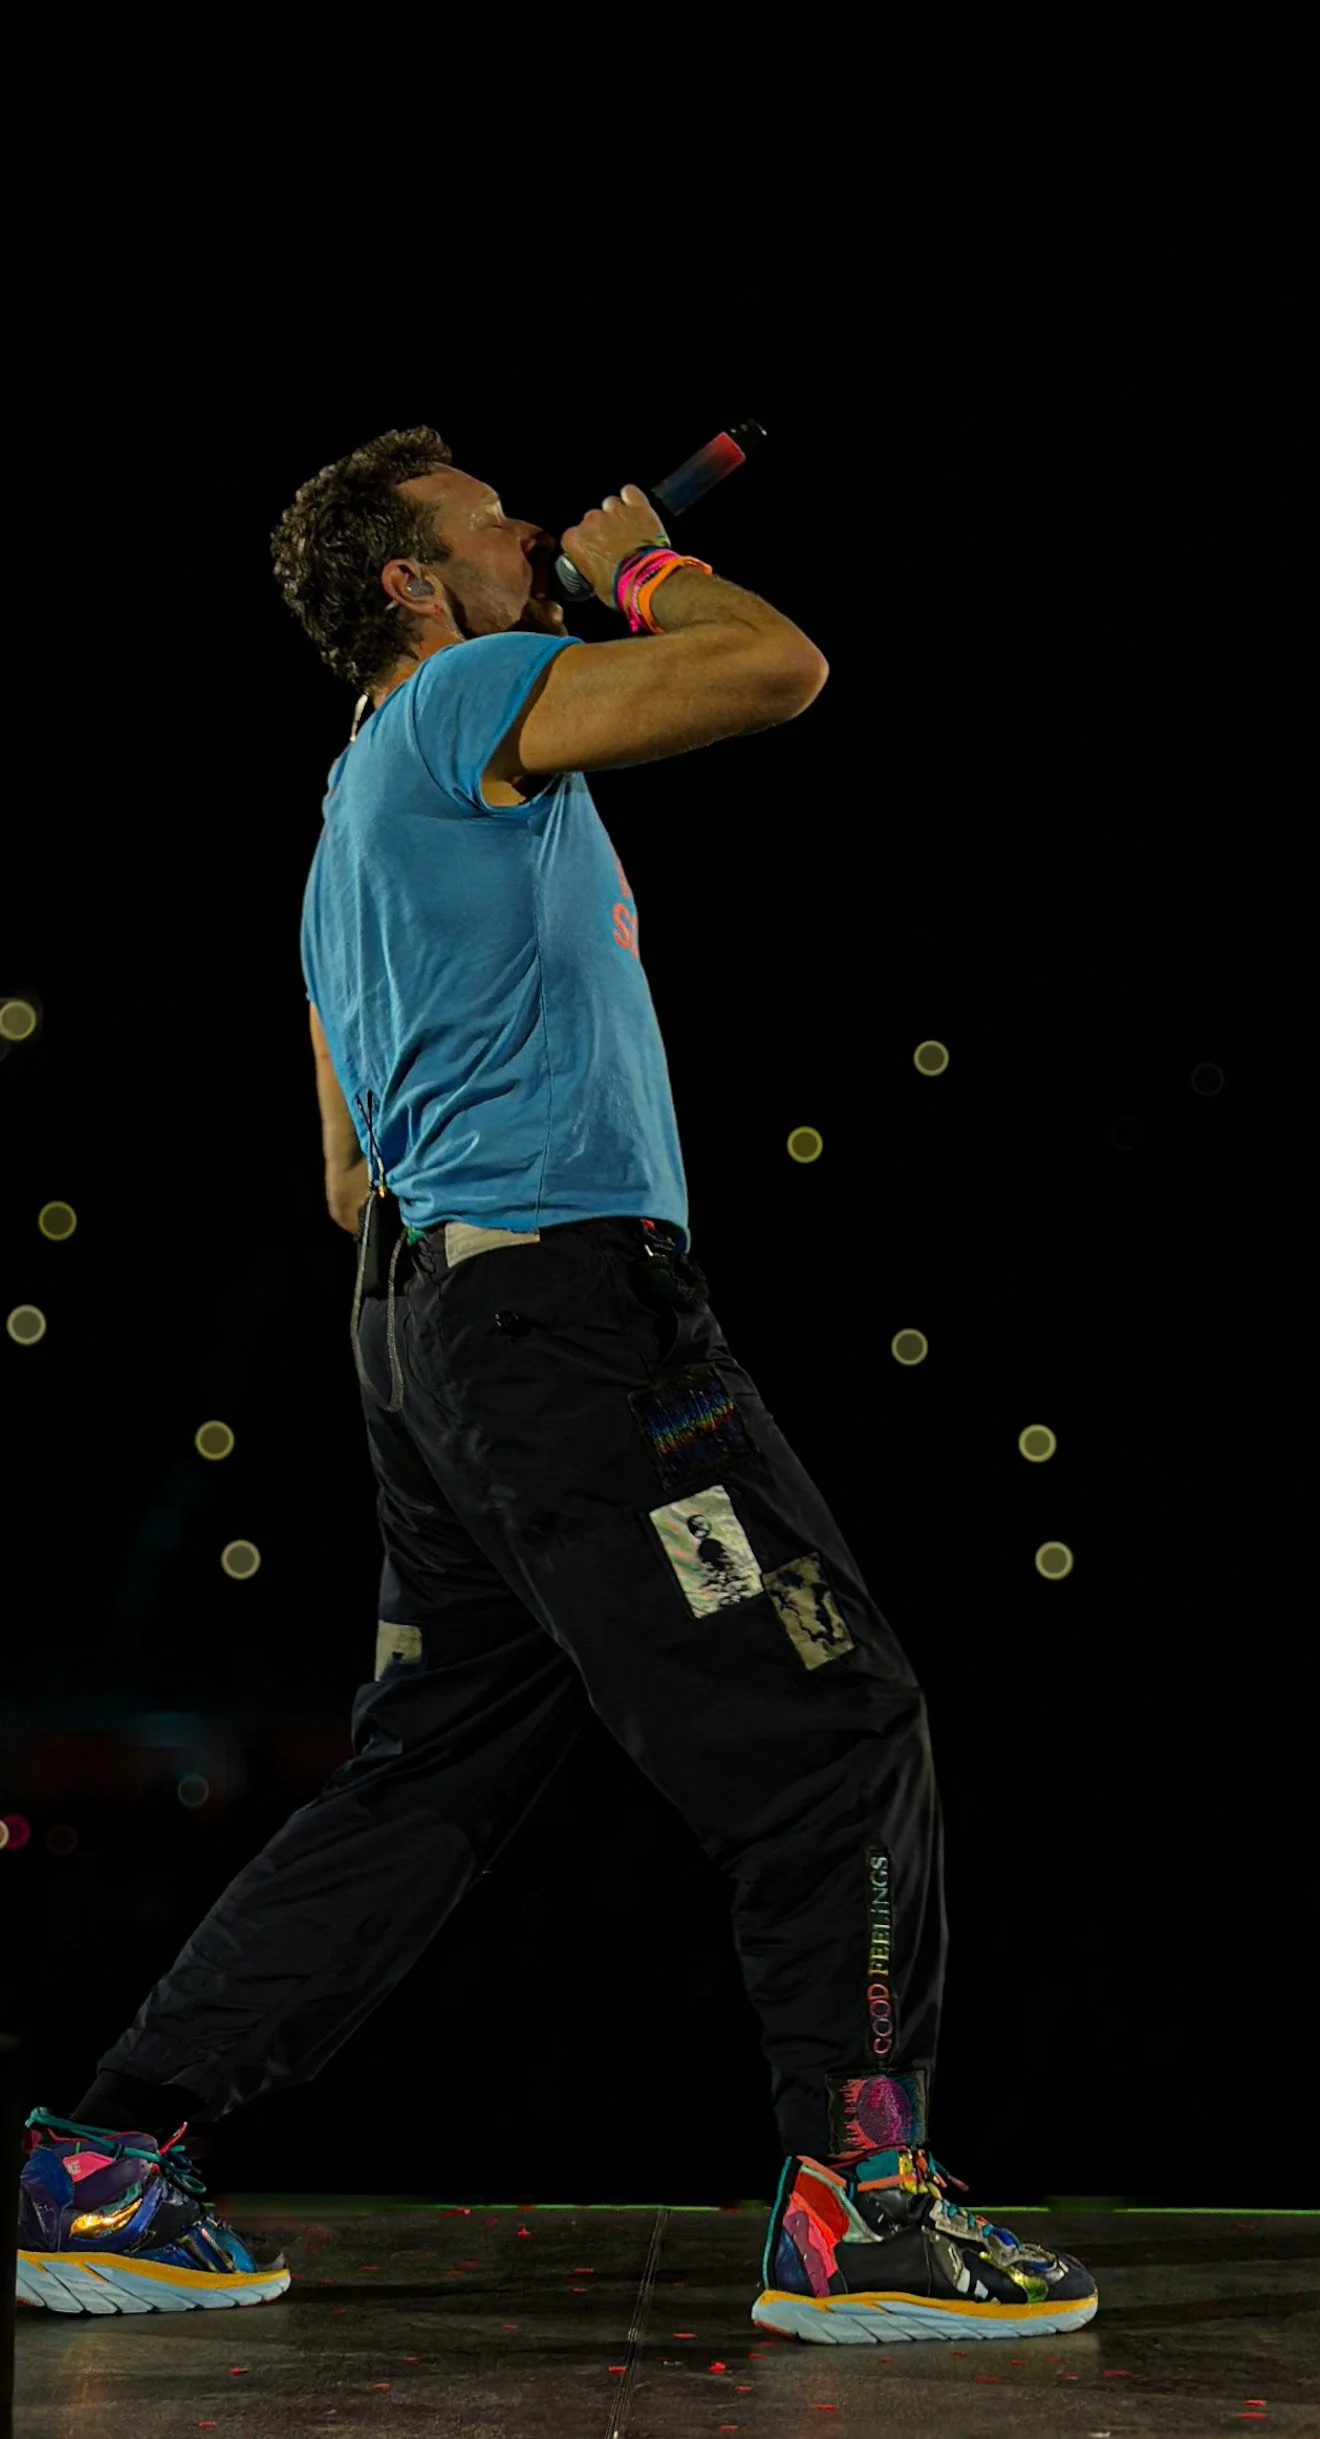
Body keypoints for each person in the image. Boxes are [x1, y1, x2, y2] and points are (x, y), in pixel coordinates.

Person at [18, 427, 1097, 2344]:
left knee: (425, 1780)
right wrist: (644, 579)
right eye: (485, 525)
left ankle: (105, 2155)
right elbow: (781, 667)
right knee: (836, 1725)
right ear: (413, 591)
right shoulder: (461, 699)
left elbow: (348, 1174)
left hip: (427, 1337)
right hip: (573, 1327)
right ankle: (865, 2206)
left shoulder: (349, 810)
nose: (529, 527)